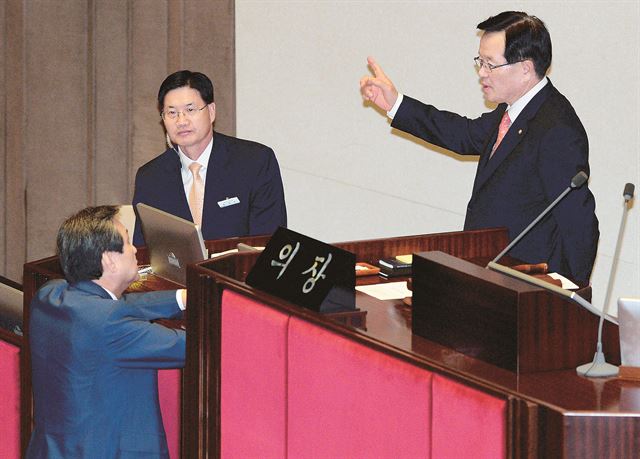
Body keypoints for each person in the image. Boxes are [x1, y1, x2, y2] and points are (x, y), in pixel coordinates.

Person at [360, 11, 599, 283]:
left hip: (526, 286)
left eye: (490, 64)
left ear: (525, 68)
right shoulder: (512, 111)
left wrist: (565, 300)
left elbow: (580, 225)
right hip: (491, 276)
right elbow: (462, 134)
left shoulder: (556, 128)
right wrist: (395, 104)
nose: (481, 73)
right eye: (480, 62)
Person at [26, 205, 186, 459]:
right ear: (109, 259)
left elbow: (118, 307)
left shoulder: (49, 296)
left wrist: (179, 299)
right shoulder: (110, 324)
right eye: (127, 241)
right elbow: (189, 346)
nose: (135, 249)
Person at [132, 70, 287, 246]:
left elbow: (269, 243)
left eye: (190, 110)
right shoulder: (151, 177)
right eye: (172, 113)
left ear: (211, 111)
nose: (181, 121)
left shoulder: (255, 162)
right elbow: (144, 252)